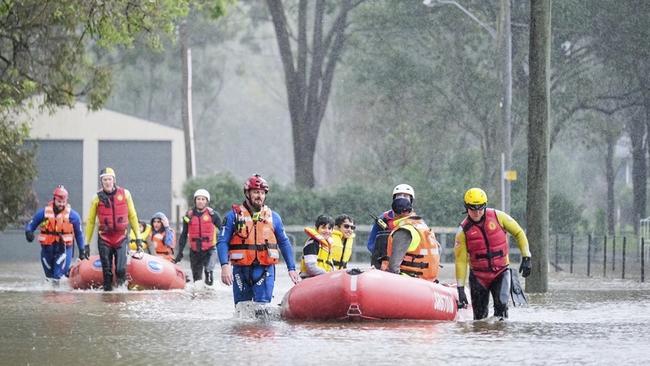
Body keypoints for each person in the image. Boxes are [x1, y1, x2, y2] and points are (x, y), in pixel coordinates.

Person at [217, 174, 301, 305]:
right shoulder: (233, 216)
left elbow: (284, 243)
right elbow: (222, 242)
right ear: (247, 193)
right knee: (241, 310)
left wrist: (291, 268)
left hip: (265, 269)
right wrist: (224, 266)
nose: (259, 196)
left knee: (262, 310)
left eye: (262, 193)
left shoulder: (274, 217)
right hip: (241, 270)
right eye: (256, 192)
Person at [454, 187, 532, 320]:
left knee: (501, 307)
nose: (477, 212)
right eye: (473, 208)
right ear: (466, 207)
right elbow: (460, 261)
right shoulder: (462, 231)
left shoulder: (498, 217)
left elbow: (519, 232)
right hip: (478, 277)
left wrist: (526, 257)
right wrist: (460, 289)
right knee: (479, 318)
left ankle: (500, 339)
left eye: (481, 207)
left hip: (500, 272)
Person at [85, 167, 143, 291]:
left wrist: (138, 237)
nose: (107, 182)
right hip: (104, 238)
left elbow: (132, 216)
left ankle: (121, 294)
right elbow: (90, 222)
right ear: (101, 182)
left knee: (120, 269)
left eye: (109, 179)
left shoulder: (125, 194)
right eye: (104, 180)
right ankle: (108, 298)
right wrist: (86, 243)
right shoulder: (96, 198)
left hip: (121, 237)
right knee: (107, 272)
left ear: (114, 180)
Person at [24, 185, 87, 284]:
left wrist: (82, 250)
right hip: (47, 250)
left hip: (64, 249)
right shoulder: (44, 213)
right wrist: (28, 233)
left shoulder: (73, 216)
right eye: (59, 202)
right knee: (49, 277)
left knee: (57, 275)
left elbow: (79, 234)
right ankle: (51, 297)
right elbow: (31, 225)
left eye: (63, 202)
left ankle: (58, 295)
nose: (61, 204)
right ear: (54, 200)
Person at [380, 189, 441, 281]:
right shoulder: (421, 225)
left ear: (395, 212)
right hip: (429, 280)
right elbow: (439, 249)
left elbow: (393, 266)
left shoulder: (403, 230)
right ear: (410, 210)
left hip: (410, 280)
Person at [173, 189, 221, 285]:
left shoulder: (213, 215)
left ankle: (209, 296)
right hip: (195, 251)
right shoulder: (189, 216)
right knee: (197, 282)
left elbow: (223, 231)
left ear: (207, 201)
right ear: (195, 201)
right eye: (198, 199)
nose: (200, 201)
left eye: (203, 199)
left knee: (208, 275)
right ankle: (197, 298)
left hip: (210, 250)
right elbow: (183, 235)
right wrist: (180, 252)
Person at [367, 184, 415, 268]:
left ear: (411, 200)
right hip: (382, 264)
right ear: (394, 198)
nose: (402, 198)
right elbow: (371, 243)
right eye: (399, 195)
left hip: (406, 266)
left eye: (405, 196)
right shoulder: (383, 218)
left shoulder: (416, 221)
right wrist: (381, 258)